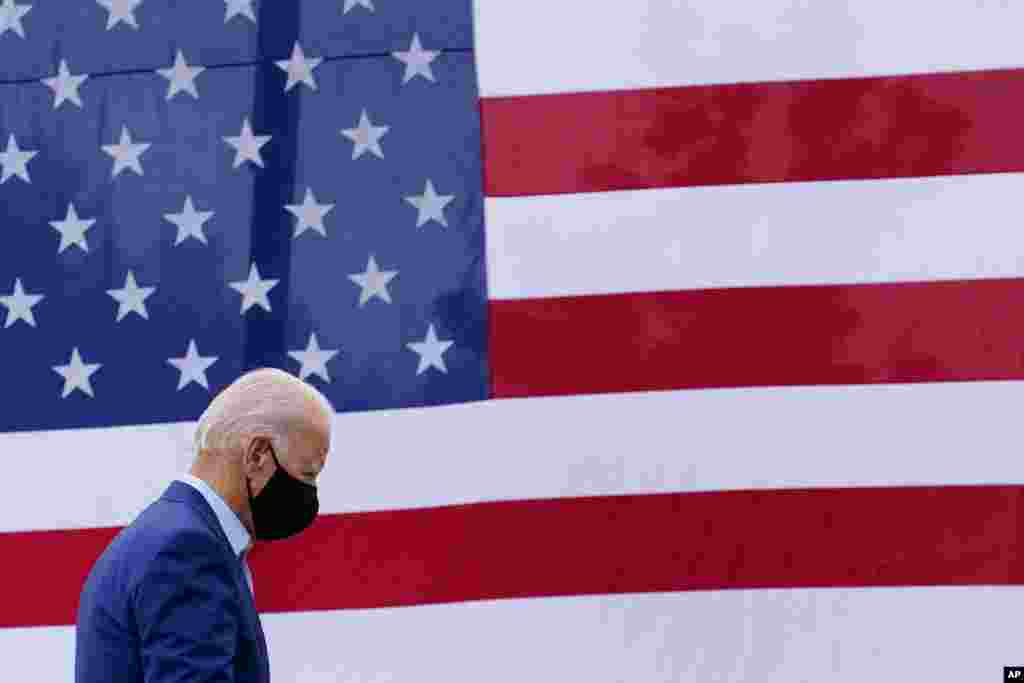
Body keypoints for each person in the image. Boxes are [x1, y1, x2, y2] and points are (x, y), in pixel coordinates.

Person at [75, 367, 333, 682]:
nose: (310, 494)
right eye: (307, 473)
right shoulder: (189, 550)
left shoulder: (159, 534)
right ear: (257, 455)